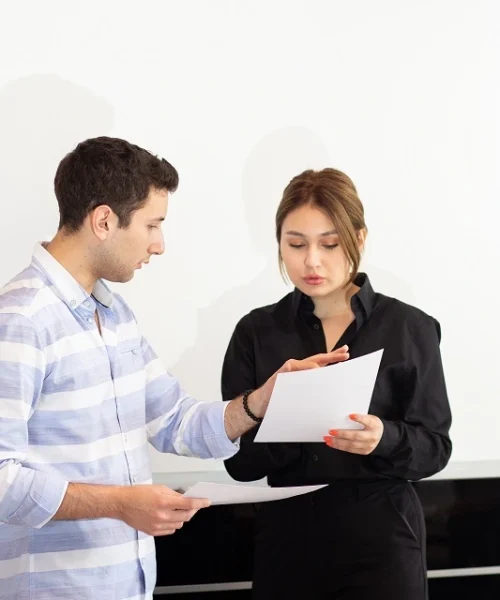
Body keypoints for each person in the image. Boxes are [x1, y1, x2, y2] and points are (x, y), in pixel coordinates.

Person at [0, 138, 349, 600]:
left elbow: (175, 423)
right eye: (152, 224)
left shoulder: (116, 315)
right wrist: (122, 505)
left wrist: (259, 402)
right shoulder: (21, 320)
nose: (159, 244)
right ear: (104, 220)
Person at [222, 168, 452, 600]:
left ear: (359, 239)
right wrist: (289, 420)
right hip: (288, 545)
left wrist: (384, 438)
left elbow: (436, 447)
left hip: (383, 544)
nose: (312, 260)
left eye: (329, 244)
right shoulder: (256, 332)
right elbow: (238, 462)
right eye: (295, 244)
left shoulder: (409, 328)